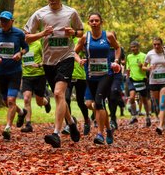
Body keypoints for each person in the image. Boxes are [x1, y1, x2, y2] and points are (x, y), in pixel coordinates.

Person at [24, 0, 83, 148]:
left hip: (66, 57)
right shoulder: (40, 14)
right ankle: (70, 122)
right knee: (60, 97)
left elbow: (80, 31)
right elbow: (26, 38)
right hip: (48, 61)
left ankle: (56, 134)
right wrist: (42, 34)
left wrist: (73, 33)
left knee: (58, 94)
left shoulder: (71, 12)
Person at [74, 12, 121, 144]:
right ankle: (109, 129)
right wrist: (79, 60)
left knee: (99, 101)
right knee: (93, 104)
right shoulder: (85, 38)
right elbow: (74, 52)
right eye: (91, 21)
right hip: (90, 75)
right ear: (88, 23)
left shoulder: (108, 36)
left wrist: (116, 61)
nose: (94, 23)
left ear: (101, 22)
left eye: (96, 20)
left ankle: (100, 134)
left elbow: (118, 48)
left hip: (106, 75)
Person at [0, 11, 29, 140]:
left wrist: (20, 54)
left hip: (15, 71)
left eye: (6, 21)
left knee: (11, 101)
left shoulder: (19, 34)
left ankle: (8, 128)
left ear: (12, 21)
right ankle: (21, 112)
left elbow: (26, 48)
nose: (3, 23)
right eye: (1, 21)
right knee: (6, 101)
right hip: (1, 72)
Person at [142, 37, 165, 135]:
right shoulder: (150, 54)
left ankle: (160, 126)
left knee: (162, 103)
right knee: (160, 104)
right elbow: (143, 66)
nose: (156, 46)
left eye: (158, 44)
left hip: (164, 82)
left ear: (161, 44)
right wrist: (149, 68)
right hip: (154, 82)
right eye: (154, 44)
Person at [21, 39, 51, 133]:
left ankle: (46, 102)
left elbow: (47, 58)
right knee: (26, 99)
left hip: (39, 76)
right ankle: (28, 124)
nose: (26, 36)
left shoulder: (38, 44)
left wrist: (39, 65)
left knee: (39, 102)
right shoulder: (20, 46)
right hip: (26, 76)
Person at [64, 37, 91, 135]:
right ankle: (69, 123)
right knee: (66, 99)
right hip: (68, 75)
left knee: (80, 102)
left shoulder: (81, 40)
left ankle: (87, 120)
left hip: (81, 76)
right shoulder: (63, 40)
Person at [126, 41, 151, 127]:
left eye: (134, 47)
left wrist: (142, 67)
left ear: (138, 47)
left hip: (142, 80)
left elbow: (149, 68)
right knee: (132, 98)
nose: (133, 49)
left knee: (144, 100)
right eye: (132, 47)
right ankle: (134, 116)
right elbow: (128, 68)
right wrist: (127, 77)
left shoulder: (144, 56)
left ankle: (148, 116)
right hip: (132, 79)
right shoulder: (129, 56)